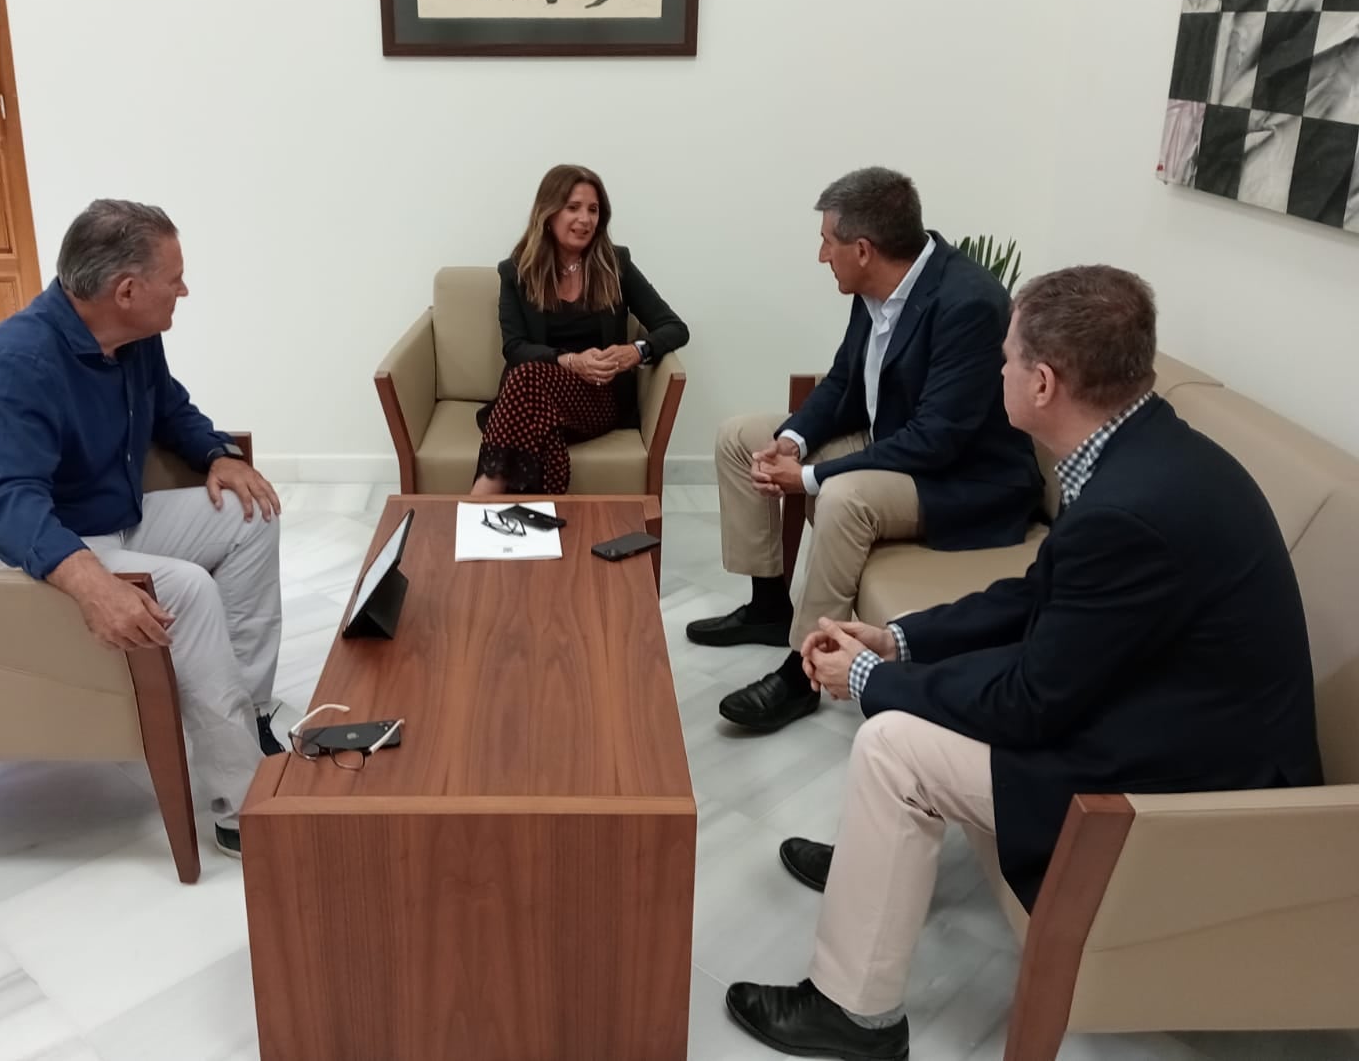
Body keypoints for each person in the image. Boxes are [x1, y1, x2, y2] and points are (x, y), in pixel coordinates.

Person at [723, 266, 1324, 1059]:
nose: (995, 370)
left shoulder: (1129, 506)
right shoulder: (1142, 450)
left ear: (1043, 383)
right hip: (1168, 715)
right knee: (906, 703)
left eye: (1004, 359)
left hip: (1200, 790)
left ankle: (853, 1011)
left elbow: (1029, 705)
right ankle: (878, 857)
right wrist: (897, 640)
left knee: (894, 745)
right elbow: (1037, 590)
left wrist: (869, 680)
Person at [0, 199, 285, 861]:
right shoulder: (17, 362)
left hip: (99, 521)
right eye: (176, 277)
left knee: (249, 519)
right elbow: (7, 503)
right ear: (127, 290)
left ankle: (245, 720)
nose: (185, 290)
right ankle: (242, 805)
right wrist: (88, 582)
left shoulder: (133, 337)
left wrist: (218, 454)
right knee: (189, 588)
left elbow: (170, 406)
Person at [688, 167, 1042, 732]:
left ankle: (803, 669)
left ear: (862, 248)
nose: (821, 255)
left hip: (961, 479)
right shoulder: (875, 287)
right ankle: (767, 603)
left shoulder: (969, 304)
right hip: (893, 442)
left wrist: (807, 478)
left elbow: (936, 440)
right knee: (740, 437)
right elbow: (841, 382)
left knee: (842, 495)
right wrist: (791, 441)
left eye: (827, 241)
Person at [470, 163, 688, 496]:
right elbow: (514, 348)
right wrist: (570, 361)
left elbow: (674, 327)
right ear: (548, 212)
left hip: (599, 398)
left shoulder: (616, 265)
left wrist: (636, 351)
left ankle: (479, 502)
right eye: (573, 208)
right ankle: (546, 530)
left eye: (593, 210)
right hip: (535, 394)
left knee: (526, 379)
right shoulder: (516, 271)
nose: (584, 219)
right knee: (540, 419)